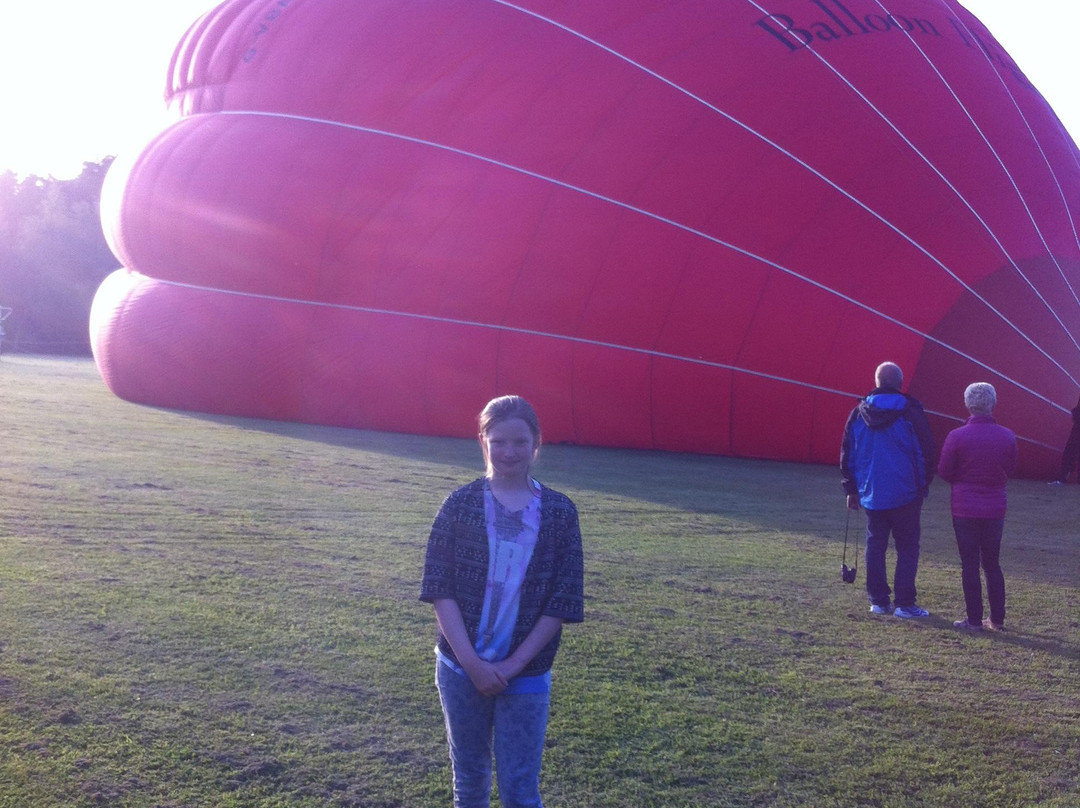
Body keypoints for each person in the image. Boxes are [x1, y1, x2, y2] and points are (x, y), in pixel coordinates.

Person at [420, 395, 584, 808]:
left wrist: (512, 667)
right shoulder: (458, 505)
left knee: (519, 791)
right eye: (498, 441)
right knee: (470, 781)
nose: (509, 451)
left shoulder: (561, 512)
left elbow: (562, 601)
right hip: (460, 669)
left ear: (536, 444)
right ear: (483, 442)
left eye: (519, 441)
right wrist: (473, 665)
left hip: (526, 675)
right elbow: (440, 588)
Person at [841, 362, 935, 618]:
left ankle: (879, 601)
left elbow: (848, 453)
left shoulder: (858, 413)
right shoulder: (910, 412)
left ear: (877, 381)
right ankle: (904, 604)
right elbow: (927, 451)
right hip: (906, 491)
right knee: (907, 546)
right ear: (900, 383)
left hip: (872, 492)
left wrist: (851, 488)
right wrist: (923, 484)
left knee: (876, 544)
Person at [936, 383, 1017, 632]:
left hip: (964, 508)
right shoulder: (1007, 436)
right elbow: (1011, 469)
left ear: (968, 404)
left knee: (969, 564)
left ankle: (973, 620)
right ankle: (998, 619)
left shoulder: (957, 436)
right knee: (992, 563)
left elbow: (944, 471)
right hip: (994, 509)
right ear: (992, 403)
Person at [1048, 394, 1080, 484]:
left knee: (1070, 453)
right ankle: (1064, 478)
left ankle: (1063, 478)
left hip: (1077, 430)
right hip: (1077, 430)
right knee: (1070, 453)